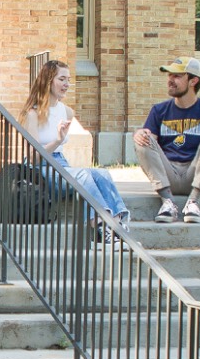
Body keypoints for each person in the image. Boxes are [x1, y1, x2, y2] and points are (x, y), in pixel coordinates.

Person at [22, 60, 130, 242]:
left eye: (68, 80)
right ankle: (101, 227)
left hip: (61, 164)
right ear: (48, 81)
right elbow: (33, 158)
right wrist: (57, 140)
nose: (66, 84)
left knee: (102, 173)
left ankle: (118, 224)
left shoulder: (67, 112)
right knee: (82, 175)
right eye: (61, 79)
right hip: (40, 171)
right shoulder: (33, 114)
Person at [132, 56, 200, 223]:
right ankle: (168, 202)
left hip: (196, 176)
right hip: (167, 176)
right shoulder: (159, 110)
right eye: (169, 75)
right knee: (142, 138)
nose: (170, 80)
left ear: (193, 81)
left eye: (177, 76)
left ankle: (193, 202)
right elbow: (149, 147)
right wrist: (140, 135)